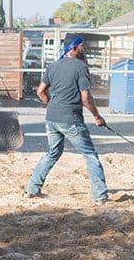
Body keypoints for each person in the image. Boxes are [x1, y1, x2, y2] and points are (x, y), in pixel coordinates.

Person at [25, 33, 109, 205]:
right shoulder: (81, 67)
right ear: (74, 48)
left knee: (52, 153)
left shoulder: (54, 66)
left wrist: (51, 105)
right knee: (90, 155)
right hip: (71, 119)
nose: (83, 48)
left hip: (51, 118)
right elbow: (86, 98)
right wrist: (97, 117)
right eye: (82, 45)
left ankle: (32, 189)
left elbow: (40, 92)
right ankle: (100, 196)